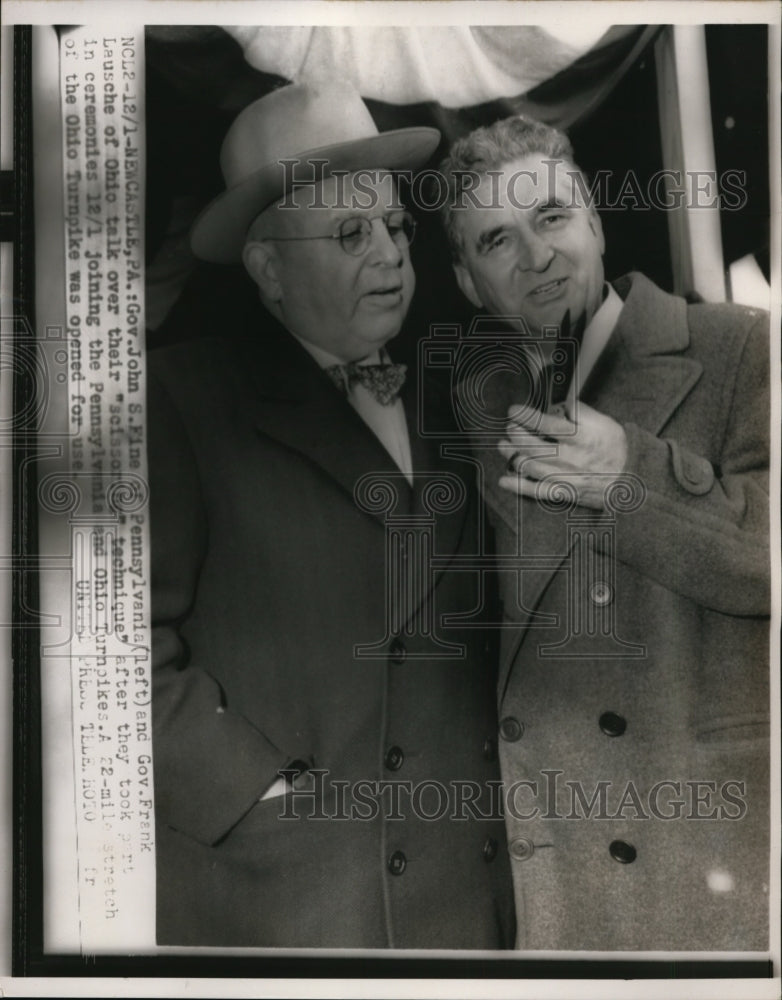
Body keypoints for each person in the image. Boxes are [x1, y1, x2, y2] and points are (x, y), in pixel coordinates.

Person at [147, 82, 515, 949]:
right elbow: (107, 659)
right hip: (293, 900)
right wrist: (257, 793)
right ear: (268, 270)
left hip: (472, 897)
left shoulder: (457, 397)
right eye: (350, 235)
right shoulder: (178, 398)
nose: (389, 256)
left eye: (394, 228)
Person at [437, 115, 770, 950]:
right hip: (552, 857)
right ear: (470, 283)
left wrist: (626, 484)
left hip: (701, 844)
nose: (537, 257)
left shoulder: (740, 349)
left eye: (551, 218)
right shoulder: (469, 412)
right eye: (496, 242)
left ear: (594, 217)